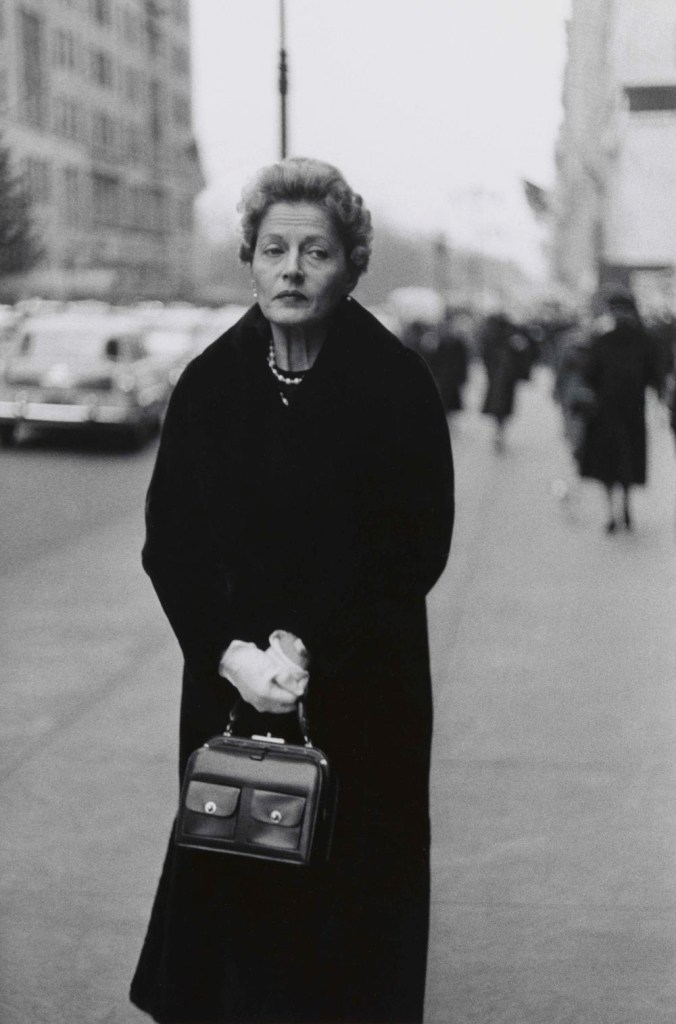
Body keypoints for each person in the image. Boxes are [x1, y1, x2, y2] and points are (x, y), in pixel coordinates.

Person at [129, 157, 455, 1024]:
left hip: (365, 689)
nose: (292, 269)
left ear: (351, 264)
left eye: (316, 251)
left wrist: (306, 645)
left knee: (355, 905)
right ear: (250, 259)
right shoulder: (209, 384)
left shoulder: (395, 385)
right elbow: (173, 543)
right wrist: (229, 651)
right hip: (231, 688)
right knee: (236, 877)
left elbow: (413, 544)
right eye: (274, 249)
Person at [578, 286, 659, 533]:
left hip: (606, 410)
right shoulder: (644, 339)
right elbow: (653, 374)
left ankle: (612, 512)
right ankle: (625, 507)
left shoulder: (602, 339)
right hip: (633, 409)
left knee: (607, 463)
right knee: (628, 459)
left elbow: (589, 374)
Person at [479, 311, 532, 451]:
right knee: (501, 406)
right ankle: (499, 430)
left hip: (503, 378)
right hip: (503, 378)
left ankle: (499, 430)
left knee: (500, 406)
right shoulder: (507, 337)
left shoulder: (501, 337)